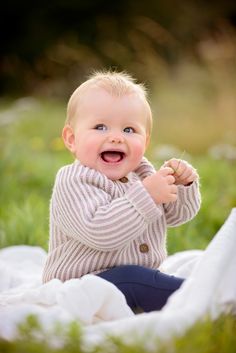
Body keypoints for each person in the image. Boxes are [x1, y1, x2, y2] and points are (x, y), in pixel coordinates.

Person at [42, 70, 201, 312]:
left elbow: (177, 216)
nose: (116, 137)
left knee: (141, 279)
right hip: (83, 286)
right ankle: (203, 297)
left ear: (145, 142)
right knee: (134, 279)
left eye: (128, 130)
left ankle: (193, 291)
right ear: (72, 139)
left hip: (134, 278)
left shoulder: (144, 174)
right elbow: (101, 232)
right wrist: (147, 195)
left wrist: (182, 185)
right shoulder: (73, 181)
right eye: (100, 127)